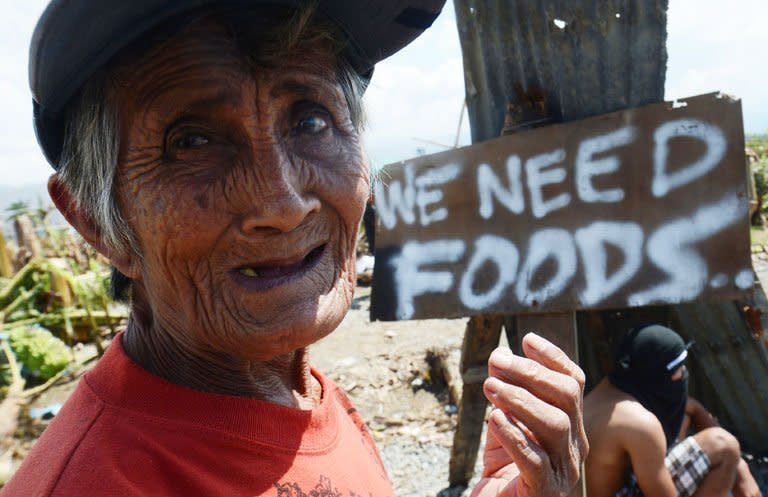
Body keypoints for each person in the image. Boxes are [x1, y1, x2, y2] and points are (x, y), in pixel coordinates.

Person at [3, 1, 588, 496]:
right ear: (99, 224)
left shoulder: (297, 392)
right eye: (193, 141)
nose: (283, 203)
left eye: (311, 121)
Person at [584, 324, 761, 497]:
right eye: (678, 367)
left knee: (684, 417)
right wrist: (734, 458)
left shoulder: (608, 392)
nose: (684, 371)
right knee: (724, 445)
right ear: (658, 374)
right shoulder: (641, 424)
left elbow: (689, 405)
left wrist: (740, 465)